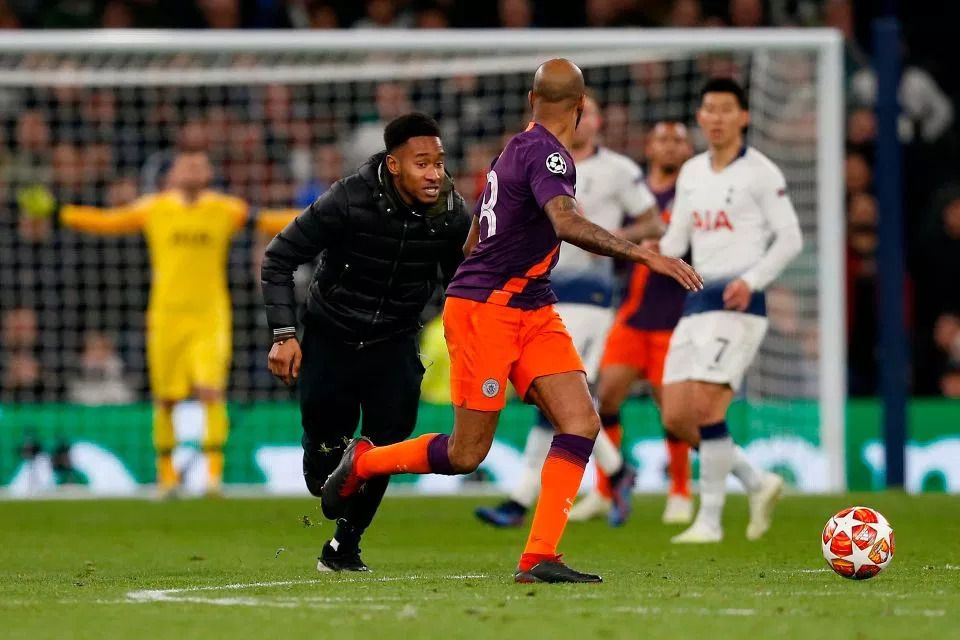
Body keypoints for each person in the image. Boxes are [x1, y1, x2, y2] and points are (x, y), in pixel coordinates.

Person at [319, 59, 702, 584]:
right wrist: (646, 255)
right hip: (490, 311)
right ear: (582, 105)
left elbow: (477, 233)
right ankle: (363, 462)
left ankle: (538, 556)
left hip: (532, 306)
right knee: (466, 452)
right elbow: (564, 222)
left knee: (581, 421)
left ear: (531, 99)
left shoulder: (512, 151)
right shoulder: (549, 154)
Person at [261, 113, 471, 573]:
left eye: (439, 162)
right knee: (324, 479)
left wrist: (471, 341)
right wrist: (283, 335)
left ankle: (344, 547)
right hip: (330, 337)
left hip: (394, 341)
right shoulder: (347, 199)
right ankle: (330, 467)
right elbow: (278, 258)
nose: (435, 173)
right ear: (394, 166)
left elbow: (461, 285)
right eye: (422, 163)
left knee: (385, 449)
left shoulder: (453, 214)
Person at [473, 93, 664, 530]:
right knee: (560, 400)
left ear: (595, 122)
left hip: (590, 295)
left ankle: (521, 502)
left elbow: (653, 223)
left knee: (552, 393)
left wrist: (613, 235)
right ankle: (616, 472)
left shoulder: (618, 170)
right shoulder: (536, 157)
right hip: (541, 290)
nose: (582, 118)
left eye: (590, 112)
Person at [658, 78, 803, 544]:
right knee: (677, 417)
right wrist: (641, 249)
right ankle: (758, 482)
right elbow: (678, 242)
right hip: (696, 302)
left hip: (739, 304)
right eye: (709, 109)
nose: (716, 118)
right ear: (699, 118)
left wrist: (752, 280)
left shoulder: (761, 172)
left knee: (705, 405)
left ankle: (710, 520)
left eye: (726, 109)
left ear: (744, 116)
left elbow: (791, 239)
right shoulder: (692, 173)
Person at [60, 150, 247, 498]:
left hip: (211, 316)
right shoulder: (153, 208)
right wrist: (61, 213)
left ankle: (213, 477)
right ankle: (167, 477)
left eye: (199, 163)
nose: (192, 167)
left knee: (211, 390)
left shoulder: (228, 209)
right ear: (172, 173)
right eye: (185, 163)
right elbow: (107, 221)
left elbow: (272, 221)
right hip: (166, 317)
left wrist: (325, 214)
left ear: (209, 173)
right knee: (166, 399)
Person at [571, 120, 695, 526]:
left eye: (678, 139)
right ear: (650, 147)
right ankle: (605, 491)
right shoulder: (639, 197)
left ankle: (680, 492)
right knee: (604, 398)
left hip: (673, 317)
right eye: (662, 138)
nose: (670, 146)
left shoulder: (696, 195)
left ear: (688, 149)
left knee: (672, 410)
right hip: (630, 315)